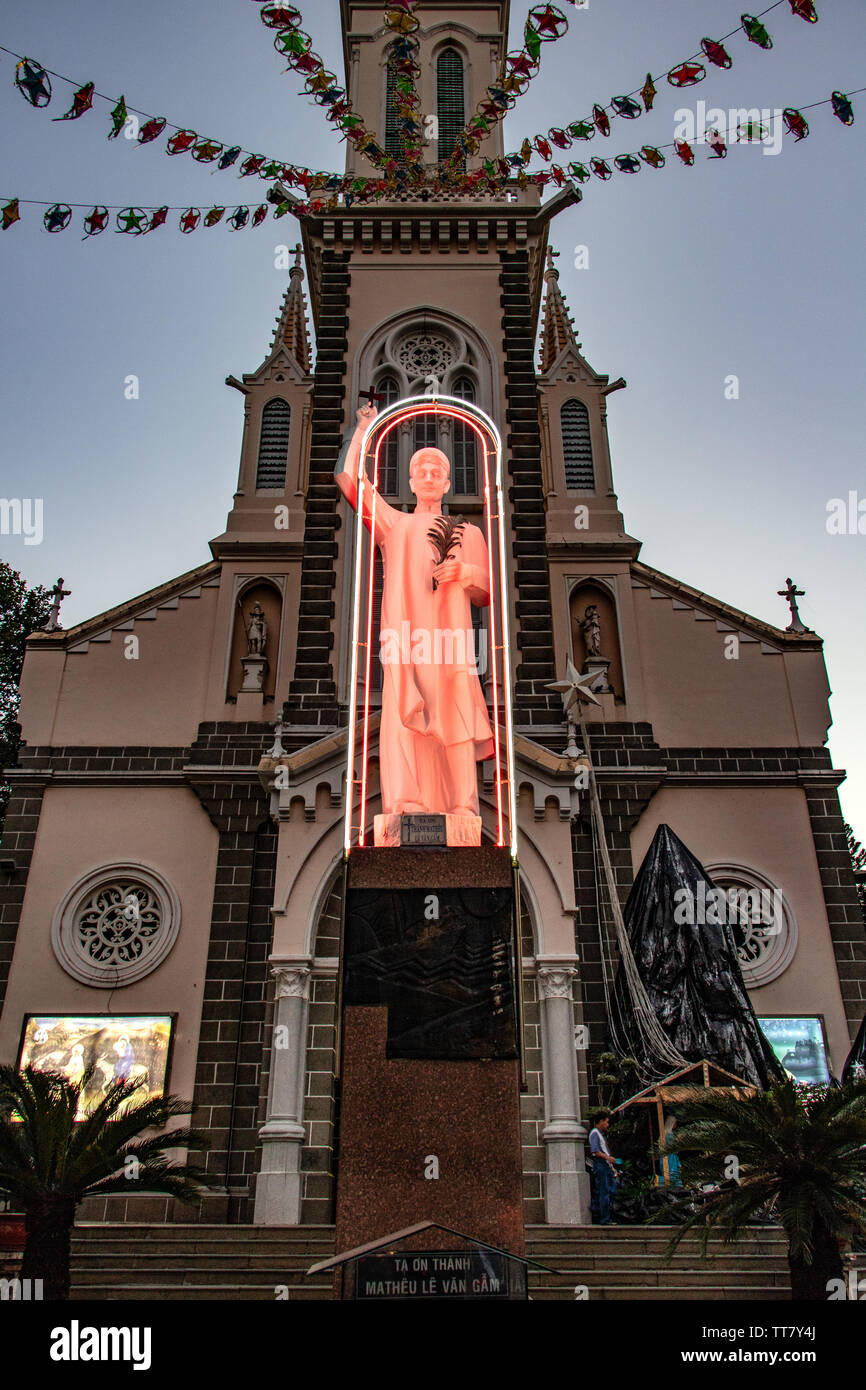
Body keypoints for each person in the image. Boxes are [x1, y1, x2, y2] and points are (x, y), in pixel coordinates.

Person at [336, 403, 494, 818]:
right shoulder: (396, 525)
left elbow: (486, 590)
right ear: (410, 480)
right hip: (406, 643)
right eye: (420, 470)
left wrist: (463, 569)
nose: (427, 476)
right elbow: (350, 481)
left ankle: (462, 805)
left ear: (446, 483)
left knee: (455, 718)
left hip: (450, 642)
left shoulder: (467, 531)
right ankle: (405, 800)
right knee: (406, 717)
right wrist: (363, 430)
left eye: (435, 471)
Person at [588, 1112, 618, 1226]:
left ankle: (598, 1210)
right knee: (604, 1191)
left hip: (605, 1165)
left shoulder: (600, 1134)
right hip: (601, 1164)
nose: (607, 1124)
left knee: (609, 1190)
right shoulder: (595, 1133)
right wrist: (608, 1158)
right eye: (606, 1121)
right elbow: (595, 1151)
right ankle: (604, 1218)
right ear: (600, 1121)